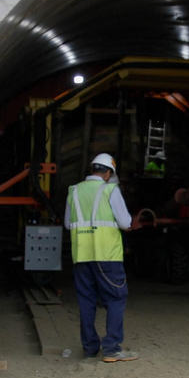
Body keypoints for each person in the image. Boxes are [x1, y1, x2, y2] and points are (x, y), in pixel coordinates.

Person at [65, 152, 138, 362]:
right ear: (107, 173)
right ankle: (112, 349)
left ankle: (89, 348)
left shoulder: (74, 191)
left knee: (86, 301)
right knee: (115, 298)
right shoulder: (110, 190)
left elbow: (68, 224)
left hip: (81, 255)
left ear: (92, 170)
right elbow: (125, 223)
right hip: (107, 255)